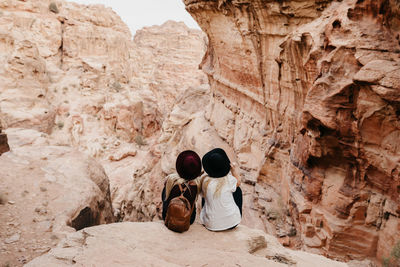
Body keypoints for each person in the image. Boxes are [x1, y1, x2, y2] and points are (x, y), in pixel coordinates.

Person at [200, 148, 242, 231]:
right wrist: (233, 170)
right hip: (232, 223)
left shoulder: (204, 181)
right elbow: (238, 181)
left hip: (211, 225)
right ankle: (232, 216)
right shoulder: (229, 180)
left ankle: (210, 216)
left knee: (206, 193)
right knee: (237, 190)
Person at [161, 150, 202, 227]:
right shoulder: (197, 185)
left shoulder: (170, 181)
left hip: (168, 217)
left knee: (166, 192)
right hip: (188, 219)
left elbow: (163, 198)